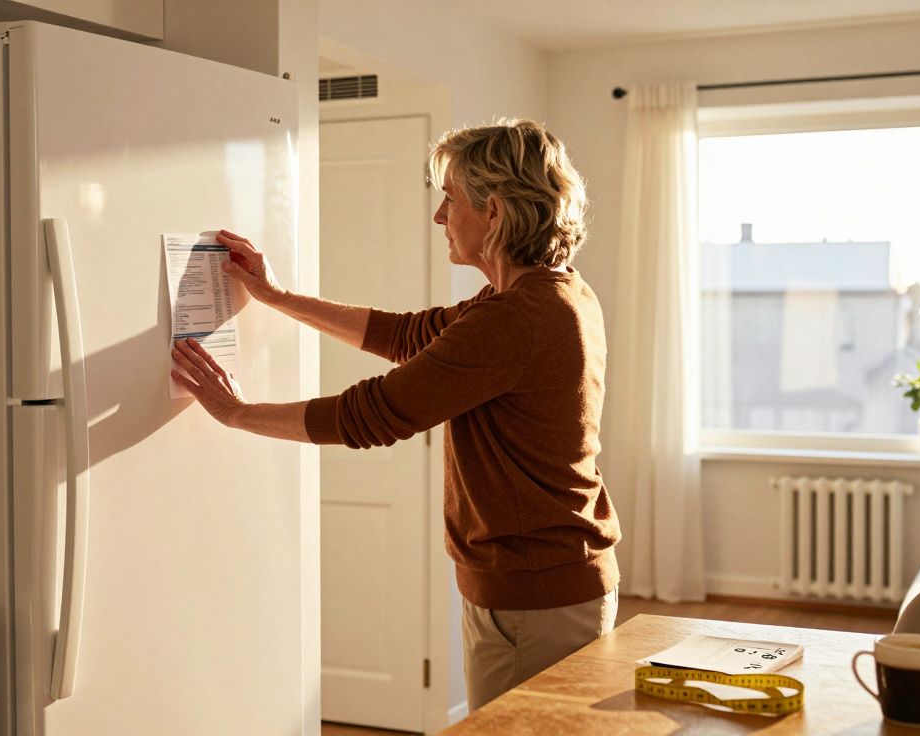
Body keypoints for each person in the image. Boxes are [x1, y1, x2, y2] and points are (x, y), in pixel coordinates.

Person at [170, 118, 621, 711]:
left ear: (495, 212)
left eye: (450, 199)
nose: (439, 216)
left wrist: (236, 413)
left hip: (534, 593)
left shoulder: (517, 318)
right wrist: (277, 297)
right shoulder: (549, 295)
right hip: (552, 581)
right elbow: (411, 334)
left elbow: (374, 415)